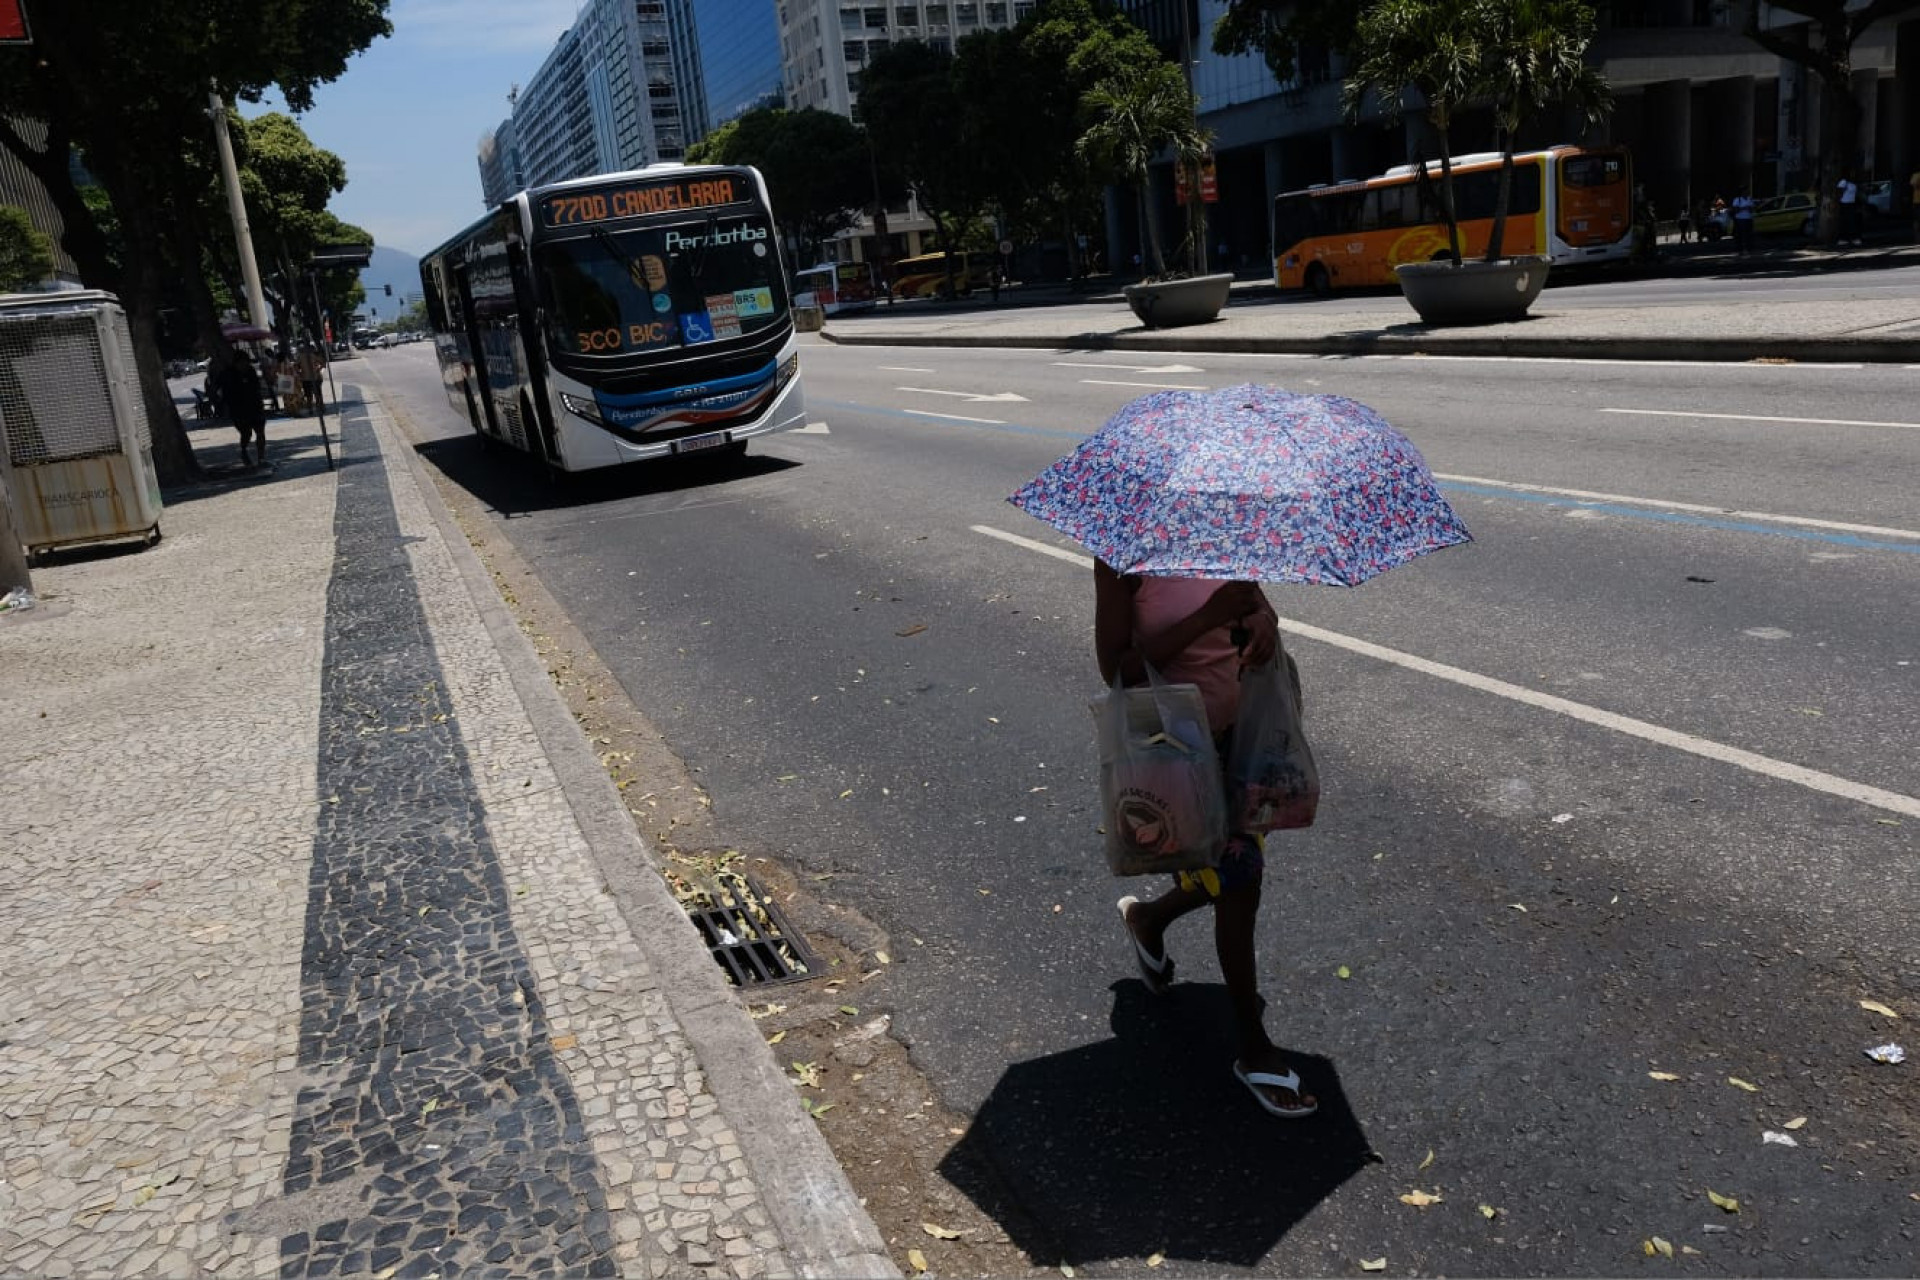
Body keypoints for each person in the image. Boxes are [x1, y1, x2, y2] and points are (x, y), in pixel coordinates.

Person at [1095, 563, 1318, 1120]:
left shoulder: (1226, 537)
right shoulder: (1122, 555)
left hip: (1243, 739)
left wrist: (1263, 619)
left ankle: (1149, 919)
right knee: (1240, 882)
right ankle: (1254, 1045)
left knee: (1232, 877)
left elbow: (1256, 606)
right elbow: (1116, 668)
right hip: (1178, 749)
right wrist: (1208, 617)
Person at [216, 351, 268, 468]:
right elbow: (219, 389)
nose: (244, 365)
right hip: (238, 410)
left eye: (246, 362)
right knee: (246, 434)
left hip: (255, 407)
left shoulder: (250, 371)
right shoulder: (228, 374)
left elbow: (256, 387)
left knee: (260, 432)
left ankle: (261, 458)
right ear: (236, 363)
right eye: (242, 363)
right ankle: (244, 451)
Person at [296, 343, 325, 416]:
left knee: (309, 395)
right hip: (314, 377)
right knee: (317, 394)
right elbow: (323, 363)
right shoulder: (313, 355)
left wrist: (299, 373)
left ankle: (311, 410)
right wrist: (318, 369)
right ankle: (320, 408)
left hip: (306, 378)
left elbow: (296, 366)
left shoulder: (300, 357)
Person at [1835, 171, 1861, 246]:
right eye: (1851, 173)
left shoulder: (1853, 183)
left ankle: (1852, 238)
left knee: (1852, 221)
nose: (1853, 175)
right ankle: (1843, 239)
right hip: (1845, 204)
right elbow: (1839, 192)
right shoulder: (1844, 182)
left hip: (1852, 203)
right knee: (1845, 221)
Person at [1730, 188, 1756, 255]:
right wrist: (1744, 208)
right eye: (1746, 191)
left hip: (1749, 218)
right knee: (1741, 234)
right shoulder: (1737, 199)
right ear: (1742, 192)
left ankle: (1749, 248)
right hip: (1740, 219)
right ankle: (1741, 248)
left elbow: (1752, 209)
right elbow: (1736, 210)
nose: (1747, 193)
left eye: (1748, 191)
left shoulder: (1749, 199)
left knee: (1749, 234)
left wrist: (1749, 208)